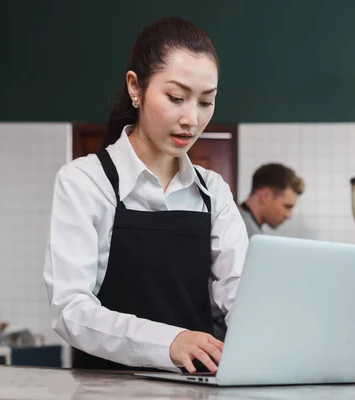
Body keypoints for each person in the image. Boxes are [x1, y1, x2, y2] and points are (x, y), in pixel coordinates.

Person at [43, 17, 248, 375]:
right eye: (176, 98)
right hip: (105, 390)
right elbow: (70, 309)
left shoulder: (213, 191)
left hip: (194, 390)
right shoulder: (84, 181)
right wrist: (168, 342)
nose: (191, 119)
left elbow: (240, 294)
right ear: (136, 88)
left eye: (206, 102)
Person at [239, 163, 305, 238]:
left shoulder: (242, 225)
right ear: (265, 196)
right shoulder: (243, 232)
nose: (289, 216)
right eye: (287, 207)